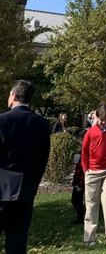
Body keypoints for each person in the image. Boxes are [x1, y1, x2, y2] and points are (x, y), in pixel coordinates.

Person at [0, 79, 51, 254]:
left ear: (13, 96)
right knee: (17, 243)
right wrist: (33, 184)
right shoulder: (42, 125)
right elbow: (43, 159)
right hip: (25, 190)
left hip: (1, 187)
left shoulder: (3, 121)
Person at [81, 102, 106, 246]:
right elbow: (84, 152)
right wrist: (86, 169)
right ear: (96, 116)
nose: (103, 122)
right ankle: (89, 238)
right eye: (101, 119)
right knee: (91, 204)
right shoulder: (90, 132)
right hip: (92, 172)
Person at [71, 149, 86, 224]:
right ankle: (81, 215)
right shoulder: (81, 160)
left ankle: (81, 216)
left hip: (80, 184)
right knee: (78, 200)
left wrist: (79, 185)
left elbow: (81, 174)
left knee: (76, 200)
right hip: (79, 183)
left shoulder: (81, 162)